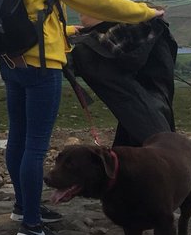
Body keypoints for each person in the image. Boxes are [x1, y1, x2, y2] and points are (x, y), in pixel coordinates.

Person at [0, 0, 163, 235]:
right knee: (36, 148)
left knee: (18, 139)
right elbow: (96, 0)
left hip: (9, 62)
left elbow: (28, 18)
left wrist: (71, 33)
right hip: (41, 68)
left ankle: (22, 207)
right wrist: (143, 12)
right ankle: (31, 224)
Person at [69, 12, 179, 147]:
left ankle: (160, 153)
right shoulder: (148, 30)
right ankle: (161, 151)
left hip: (155, 136)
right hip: (154, 68)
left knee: (136, 107)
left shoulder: (90, 51)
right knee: (145, 106)